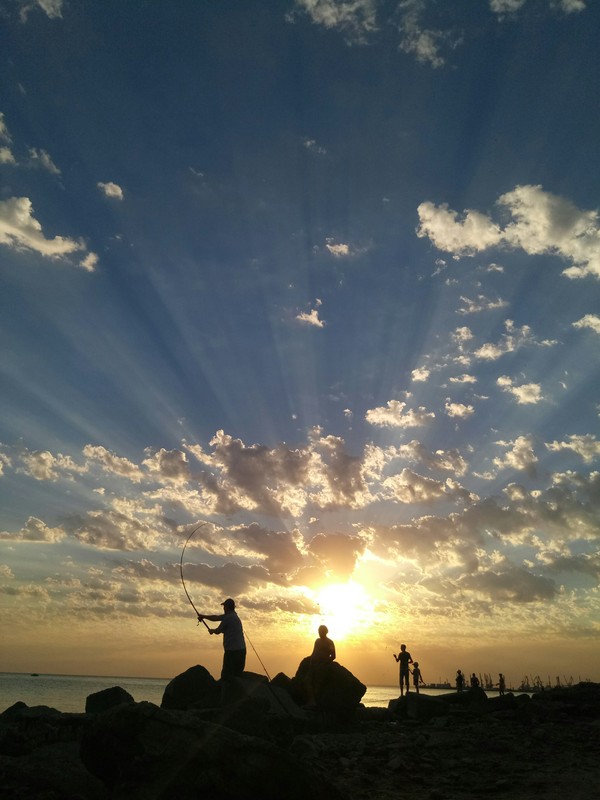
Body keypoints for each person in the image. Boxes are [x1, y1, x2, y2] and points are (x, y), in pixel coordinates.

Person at [198, 598, 246, 680]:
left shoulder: (228, 618)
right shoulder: (234, 616)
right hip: (242, 650)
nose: (223, 608)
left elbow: (218, 630)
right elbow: (216, 617)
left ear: (227, 607)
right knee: (237, 676)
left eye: (224, 606)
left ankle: (225, 692)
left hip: (232, 652)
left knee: (226, 676)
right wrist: (203, 616)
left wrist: (212, 630)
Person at [306, 625, 336, 705]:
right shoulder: (317, 641)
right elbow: (314, 652)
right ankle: (311, 700)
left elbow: (333, 656)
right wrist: (310, 662)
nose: (319, 633)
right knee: (308, 681)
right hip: (314, 664)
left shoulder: (329, 642)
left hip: (322, 666)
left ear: (325, 632)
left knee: (318, 684)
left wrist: (324, 663)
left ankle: (316, 702)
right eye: (319, 631)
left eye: (321, 631)